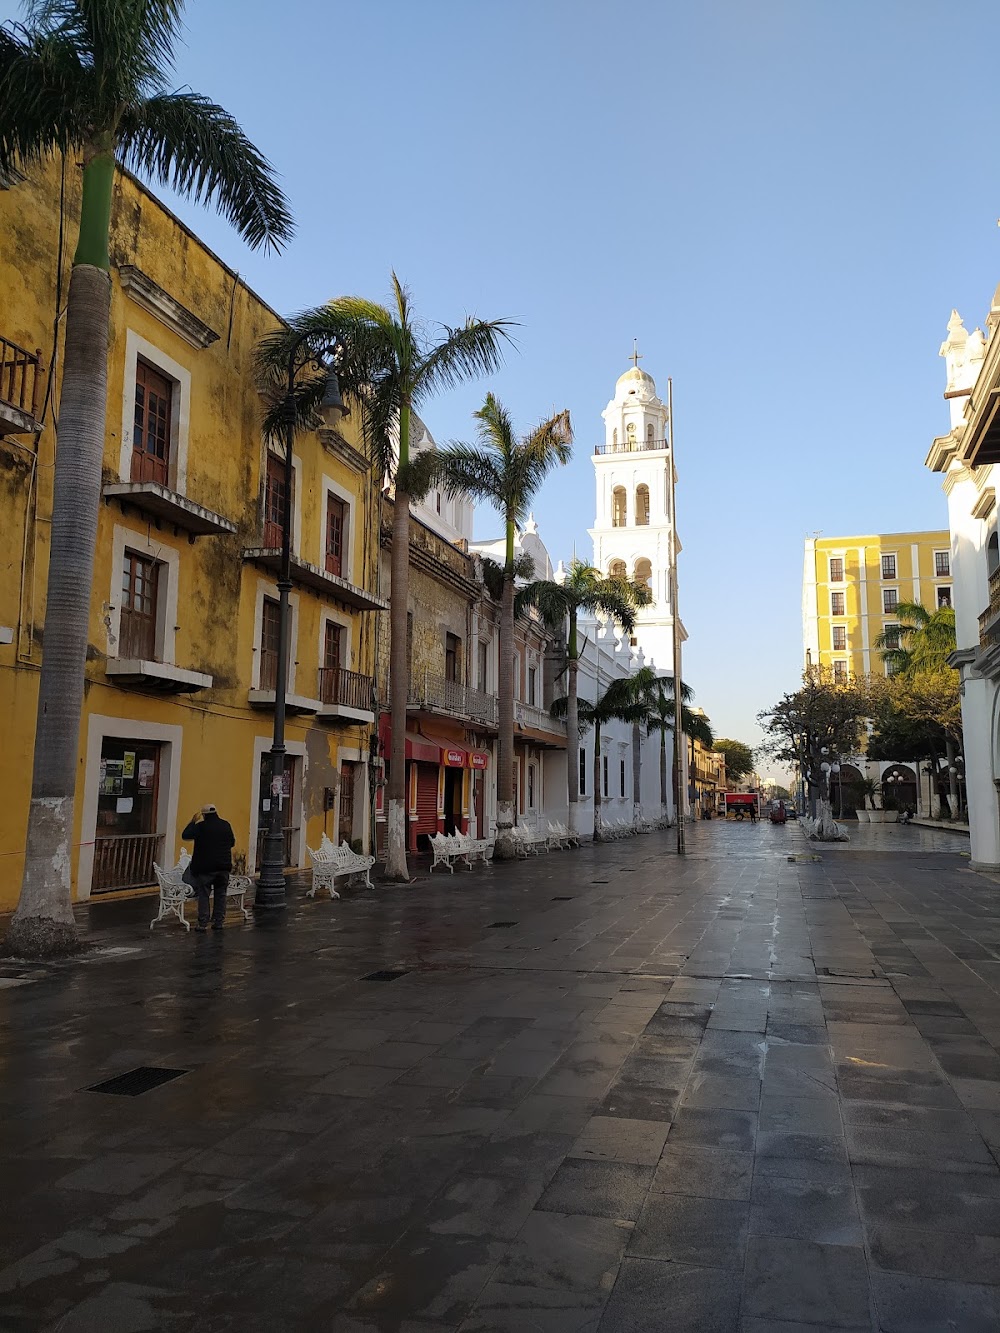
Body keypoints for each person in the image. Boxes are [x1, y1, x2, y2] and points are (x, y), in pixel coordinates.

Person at [181, 805, 236, 931]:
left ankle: (203, 923)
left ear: (204, 815)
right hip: (223, 868)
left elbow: (185, 835)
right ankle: (218, 922)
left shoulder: (200, 827)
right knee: (221, 895)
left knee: (204, 895)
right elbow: (232, 842)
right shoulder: (226, 825)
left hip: (206, 869)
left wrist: (193, 821)